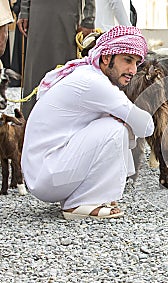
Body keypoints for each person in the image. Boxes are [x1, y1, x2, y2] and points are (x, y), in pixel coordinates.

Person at [21, 26, 155, 219]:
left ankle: (90, 195)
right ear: (106, 58)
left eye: (136, 63)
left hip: (46, 173)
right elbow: (146, 126)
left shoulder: (88, 73)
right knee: (115, 128)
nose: (133, 70)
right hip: (48, 176)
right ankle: (80, 204)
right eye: (127, 60)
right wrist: (124, 120)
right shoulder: (93, 82)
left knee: (116, 123)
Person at [17, 0, 96, 119]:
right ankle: (29, 122)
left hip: (67, 15)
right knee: (35, 69)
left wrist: (89, 19)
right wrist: (24, 10)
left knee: (64, 67)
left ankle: (63, 121)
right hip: (38, 12)